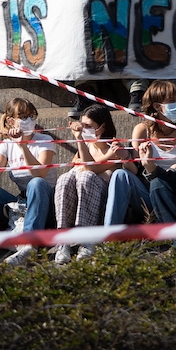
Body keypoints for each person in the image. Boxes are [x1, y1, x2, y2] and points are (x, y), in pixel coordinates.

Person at [0, 98, 61, 262]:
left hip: (47, 203)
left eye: (31, 116)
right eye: (23, 116)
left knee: (36, 183)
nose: (29, 120)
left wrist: (23, 145)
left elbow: (40, 174)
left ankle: (29, 245)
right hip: (22, 203)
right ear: (10, 120)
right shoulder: (6, 144)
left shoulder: (45, 141)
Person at [110, 81, 176, 227]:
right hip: (149, 194)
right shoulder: (142, 130)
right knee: (120, 175)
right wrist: (125, 157)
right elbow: (135, 170)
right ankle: (109, 236)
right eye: (171, 101)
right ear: (156, 106)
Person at [55, 103, 123, 263]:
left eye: (88, 126)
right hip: (79, 204)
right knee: (64, 178)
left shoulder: (113, 148)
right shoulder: (84, 148)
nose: (83, 129)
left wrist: (78, 139)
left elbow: (88, 168)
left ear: (102, 127)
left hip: (99, 206)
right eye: (82, 125)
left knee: (87, 177)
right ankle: (62, 240)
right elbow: (76, 166)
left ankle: (87, 241)